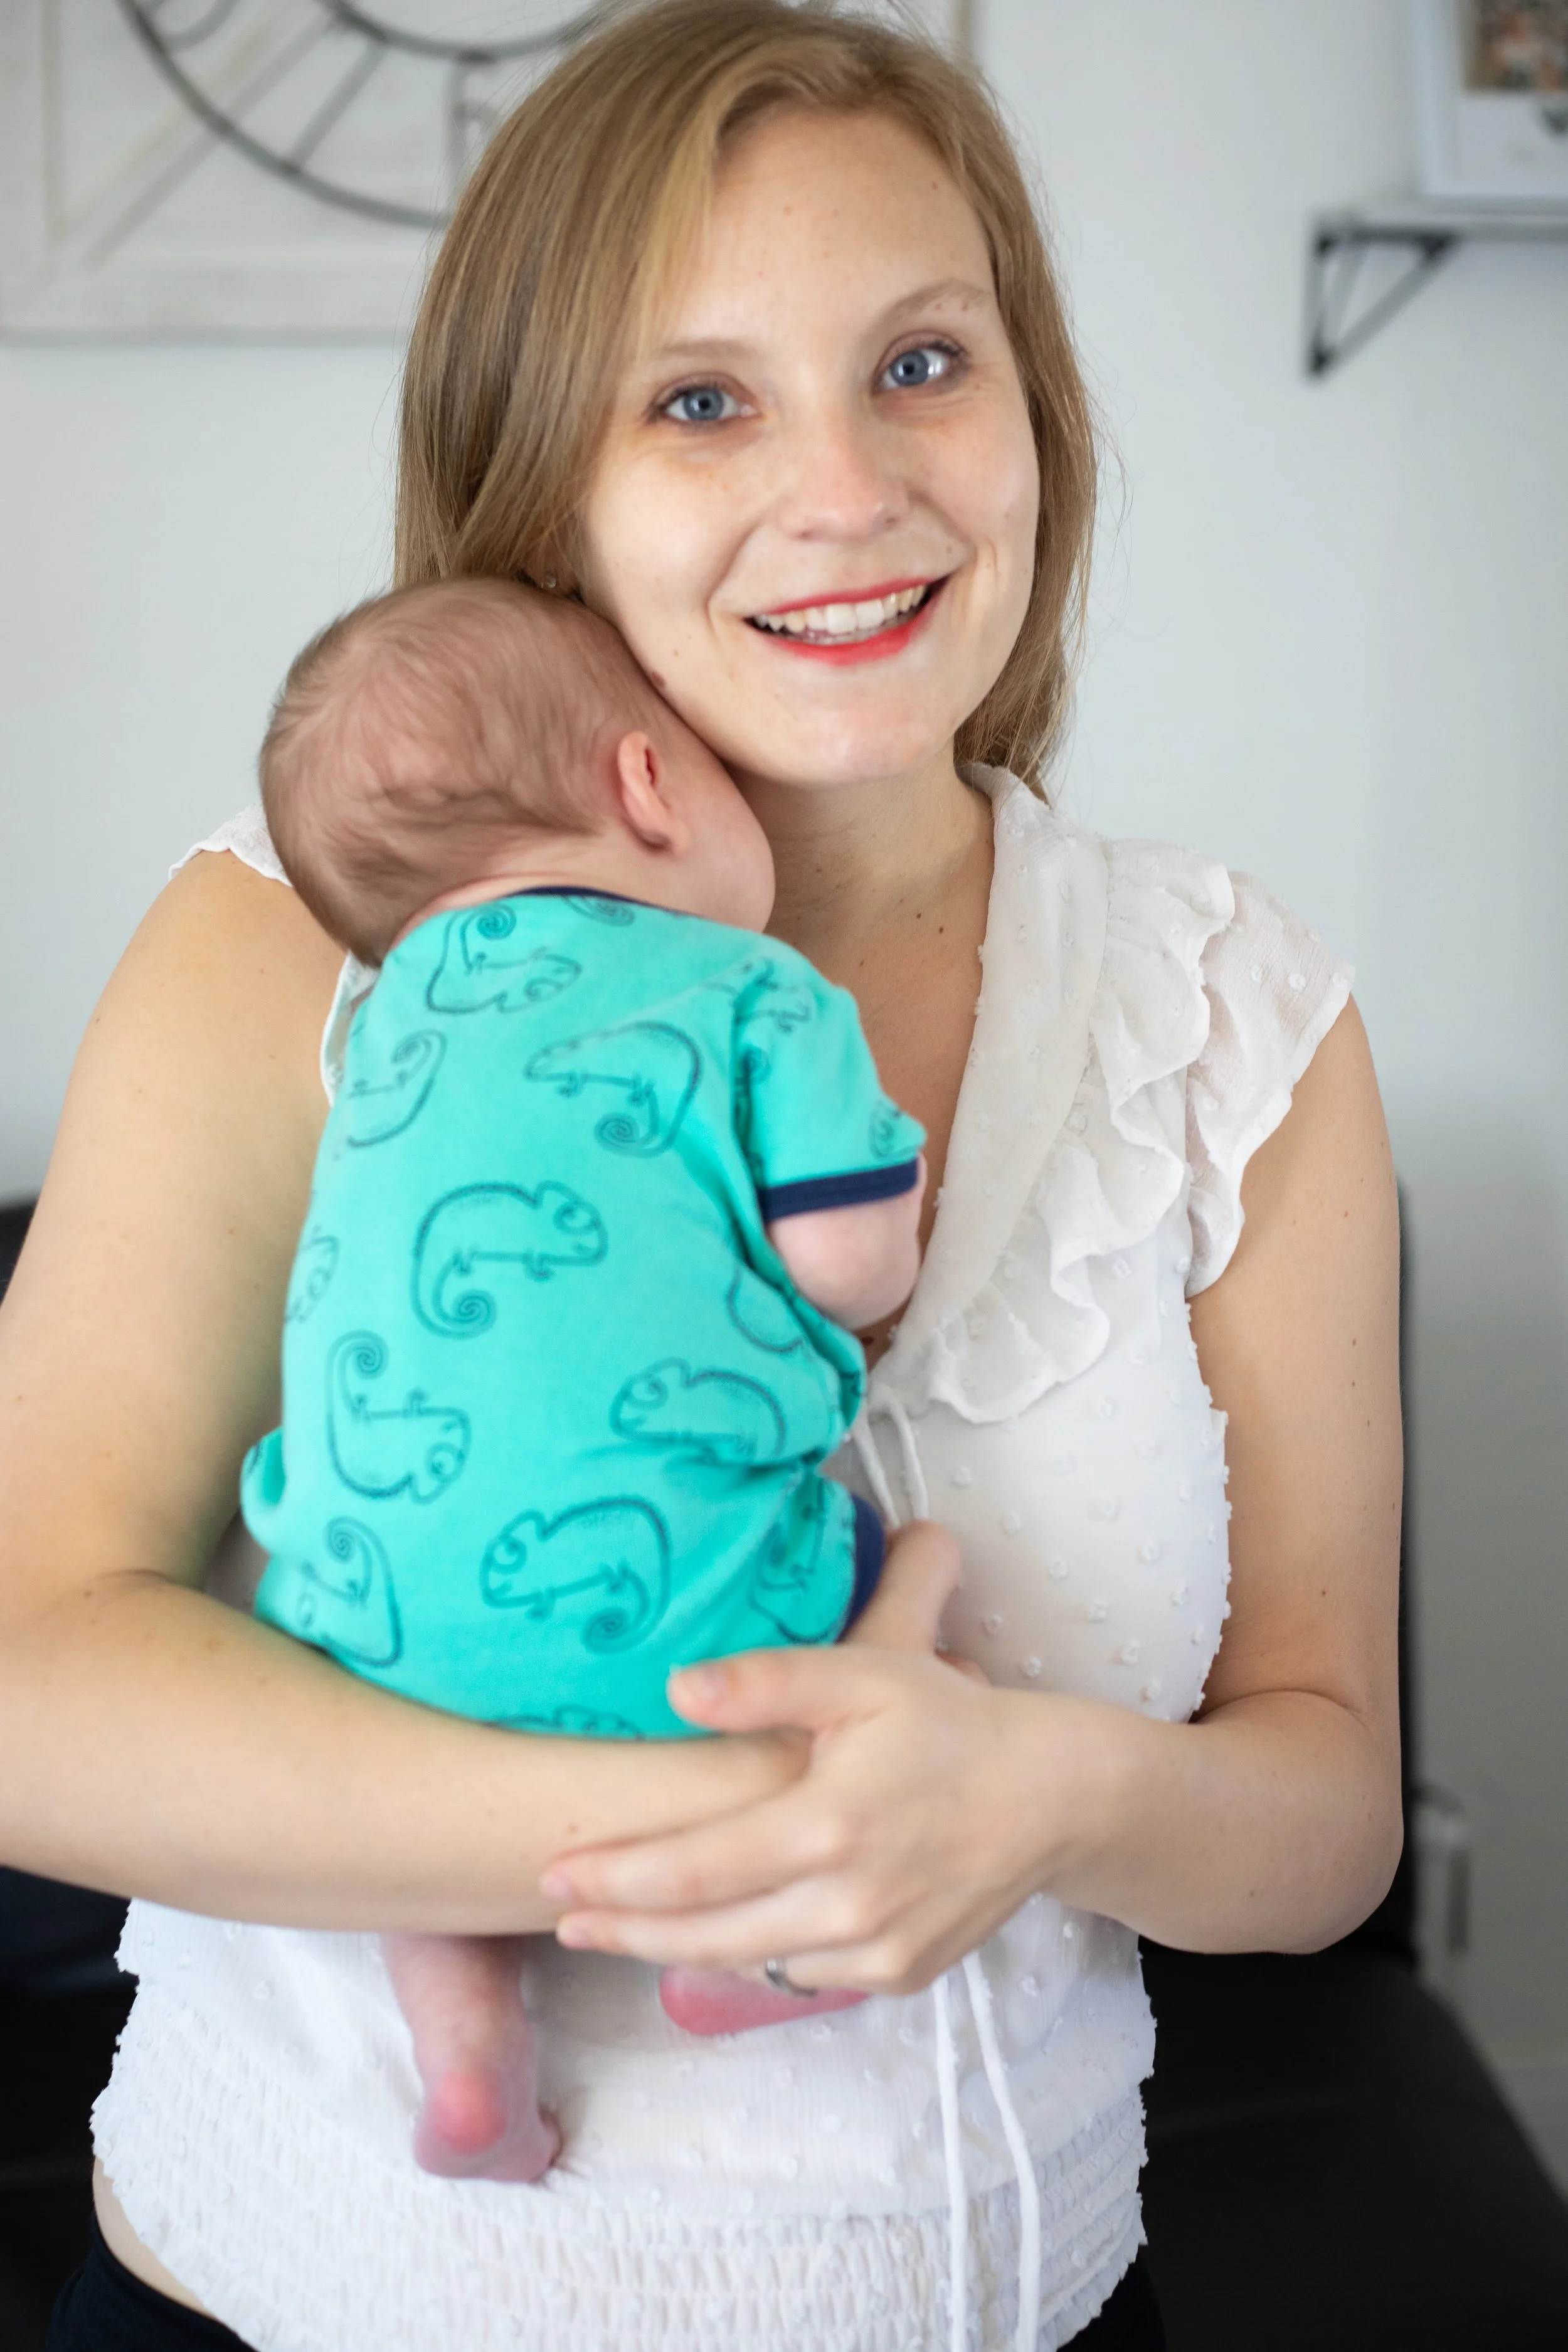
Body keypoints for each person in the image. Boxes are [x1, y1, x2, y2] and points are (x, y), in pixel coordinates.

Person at [0, 3, 1402, 2348]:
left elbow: (1331, 1809)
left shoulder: (1234, 1015)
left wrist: (1041, 1800)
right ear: (542, 485)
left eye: (922, 363)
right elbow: (24, 1682)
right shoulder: (291, 942)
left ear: (1036, 414)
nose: (846, 488)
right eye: (699, 400)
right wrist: (739, 1833)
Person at [247, 574, 927, 2182]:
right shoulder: (748, 986)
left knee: (416, 1813)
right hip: (683, 1618)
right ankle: (753, 1946)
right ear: (649, 782)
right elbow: (853, 1269)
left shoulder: (380, 1029)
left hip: (363, 1618)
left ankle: (467, 2050)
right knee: (909, 1603)